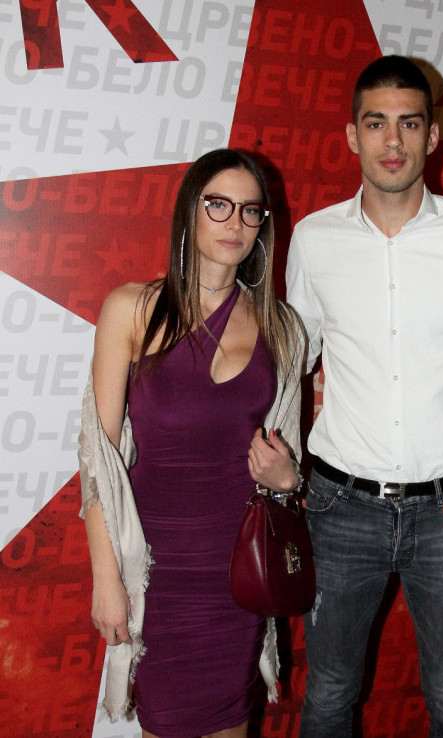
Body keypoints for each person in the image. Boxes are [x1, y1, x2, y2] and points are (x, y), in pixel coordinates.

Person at [286, 55, 443, 738]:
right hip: (338, 508)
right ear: (352, 135)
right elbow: (292, 362)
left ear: (433, 134)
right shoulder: (313, 239)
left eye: (408, 123)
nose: (392, 141)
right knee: (328, 693)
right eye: (376, 124)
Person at [79, 148, 305, 738]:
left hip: (238, 569)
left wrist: (288, 479)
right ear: (190, 212)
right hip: (157, 571)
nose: (235, 223)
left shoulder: (282, 328)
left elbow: (287, 463)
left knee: (230, 724)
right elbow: (98, 458)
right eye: (218, 205)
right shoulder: (131, 309)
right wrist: (108, 580)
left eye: (250, 210)